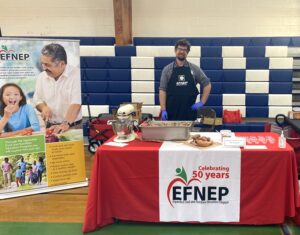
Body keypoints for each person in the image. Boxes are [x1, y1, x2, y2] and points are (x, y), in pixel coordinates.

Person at [33, 43, 82, 134]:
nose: (43, 68)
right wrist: (44, 108)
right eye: (42, 64)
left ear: (62, 64)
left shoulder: (77, 76)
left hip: (72, 126)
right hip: (50, 127)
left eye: (47, 65)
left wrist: (65, 124)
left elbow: (76, 104)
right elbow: (37, 99)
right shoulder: (41, 77)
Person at [159, 39, 211, 121]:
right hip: (171, 114)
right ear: (175, 50)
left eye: (185, 50)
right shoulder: (167, 69)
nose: (182, 52)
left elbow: (207, 84)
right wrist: (163, 109)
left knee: (190, 134)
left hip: (189, 114)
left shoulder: (194, 69)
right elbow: (162, 90)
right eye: (180, 49)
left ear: (187, 52)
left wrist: (202, 102)